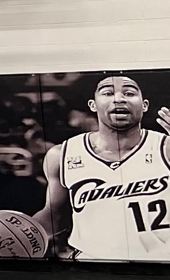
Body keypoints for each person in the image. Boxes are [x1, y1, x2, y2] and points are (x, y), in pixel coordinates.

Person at [28, 73, 170, 261]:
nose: (119, 99)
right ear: (92, 105)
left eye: (129, 93)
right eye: (108, 93)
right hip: (91, 269)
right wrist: (20, 233)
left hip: (160, 266)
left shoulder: (165, 148)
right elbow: (55, 214)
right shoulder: (61, 155)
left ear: (144, 105)